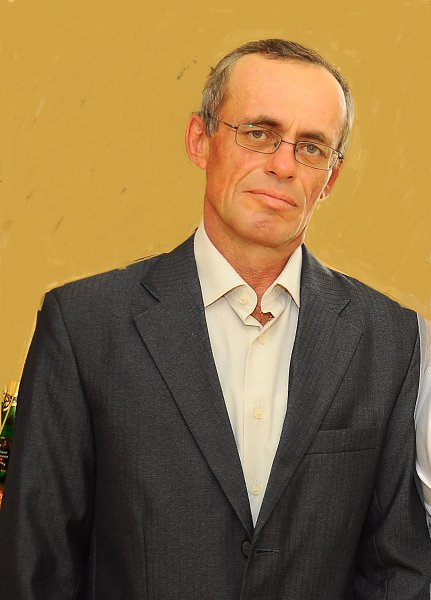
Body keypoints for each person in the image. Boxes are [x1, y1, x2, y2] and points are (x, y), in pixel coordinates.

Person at [0, 38, 430, 600]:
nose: (282, 165)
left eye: (311, 147)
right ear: (199, 140)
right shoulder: (84, 326)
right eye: (259, 133)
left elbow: (399, 571)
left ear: (331, 177)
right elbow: (38, 567)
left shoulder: (390, 340)